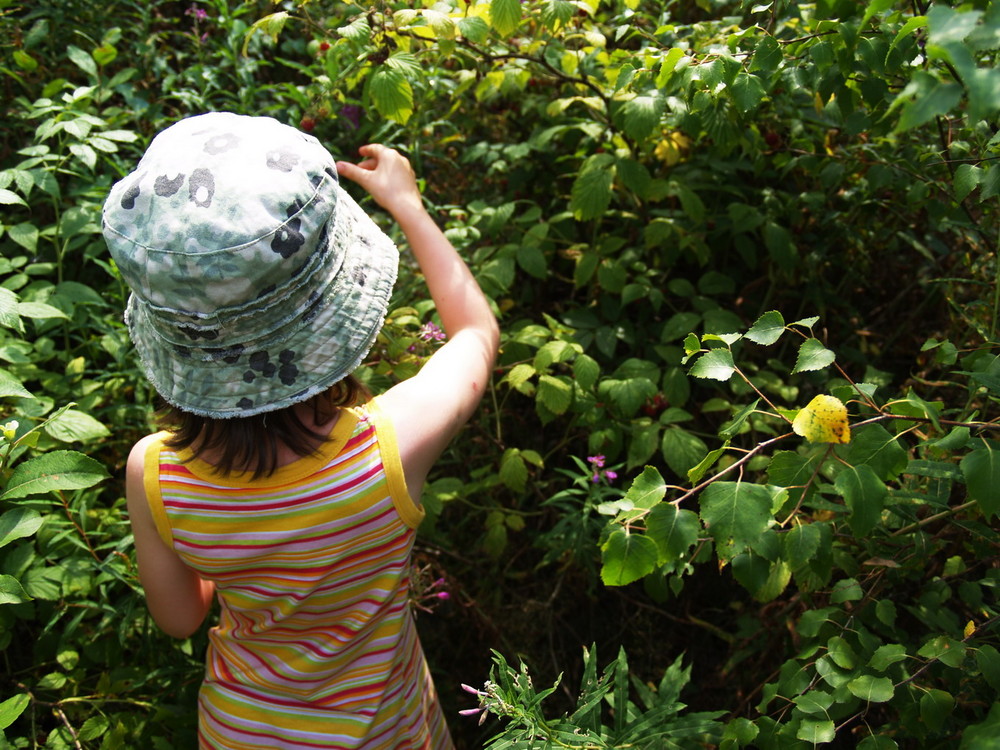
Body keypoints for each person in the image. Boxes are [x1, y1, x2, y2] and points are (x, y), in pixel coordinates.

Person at [103, 112, 499, 749]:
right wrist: (408, 205)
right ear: (331, 308)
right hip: (388, 731)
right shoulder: (392, 447)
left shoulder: (153, 472)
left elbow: (180, 617)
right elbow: (477, 334)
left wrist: (237, 546)